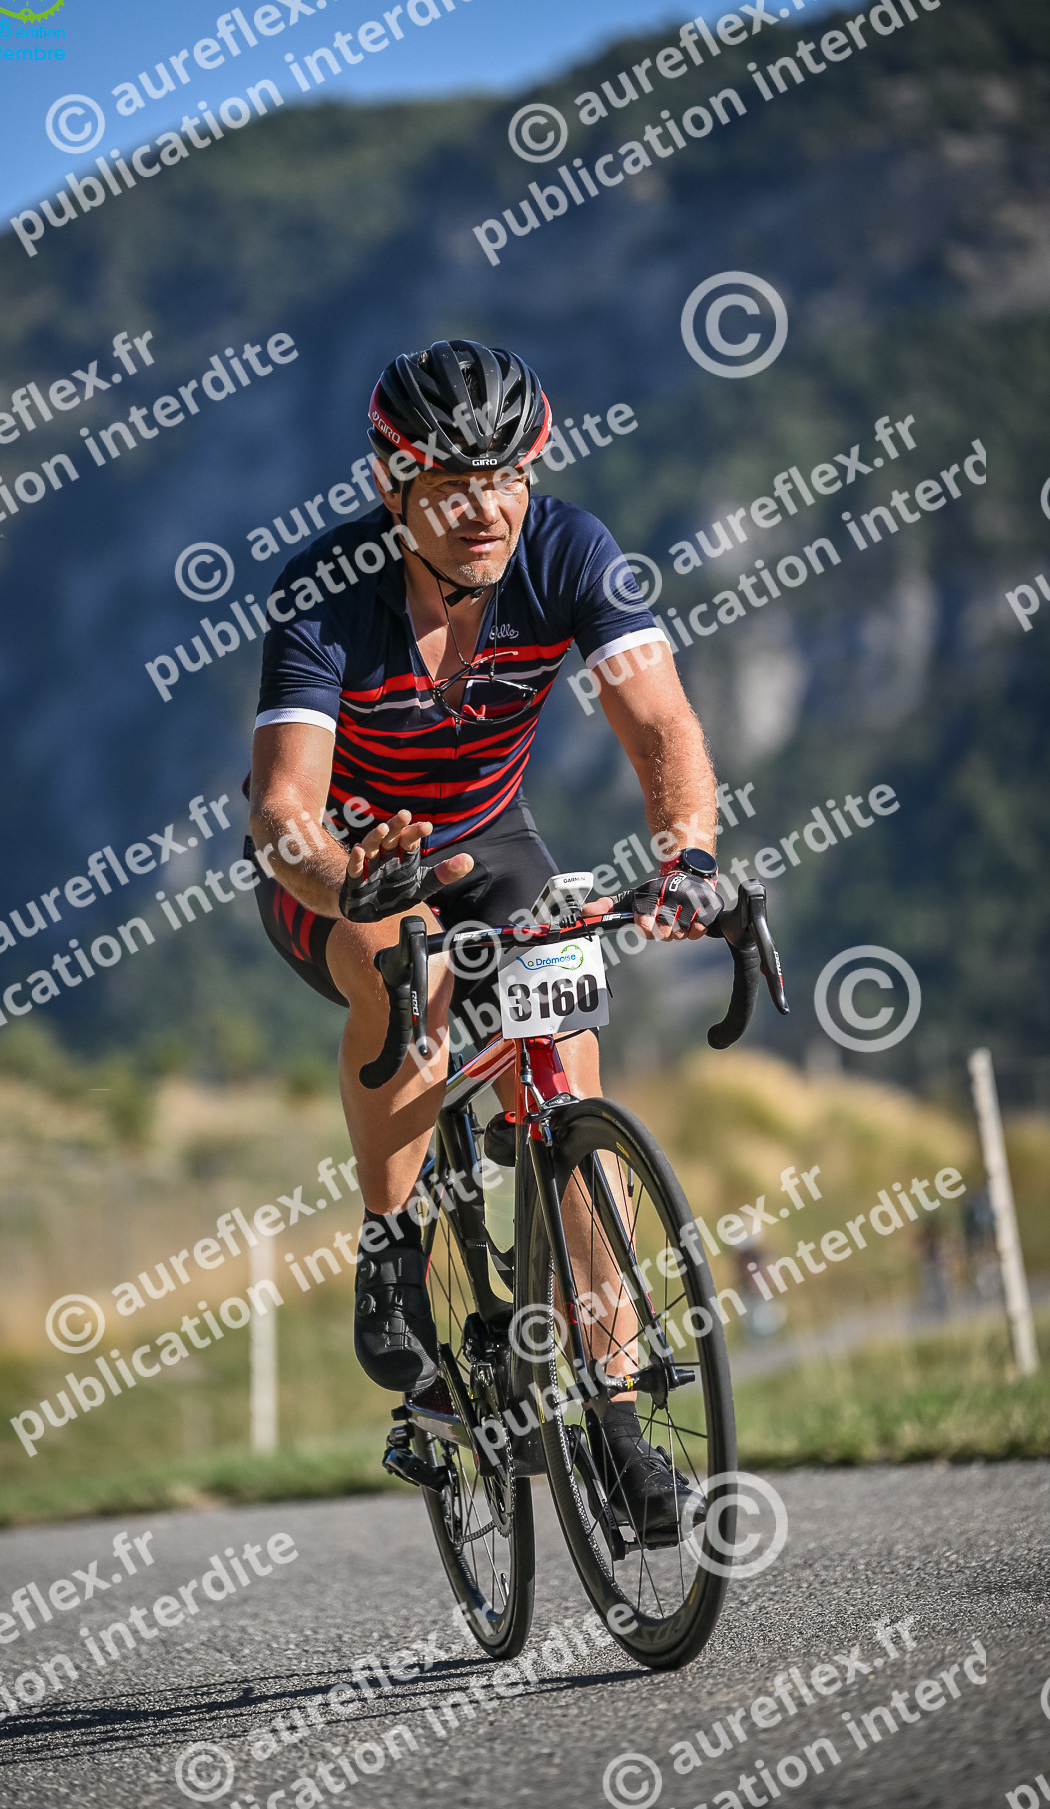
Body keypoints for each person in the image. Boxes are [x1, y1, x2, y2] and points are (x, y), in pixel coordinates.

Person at [247, 339, 722, 1539]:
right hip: (345, 861)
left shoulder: (568, 550)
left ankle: (617, 1415)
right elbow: (282, 812)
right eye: (454, 487)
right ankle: (391, 1244)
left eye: (507, 477)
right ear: (391, 485)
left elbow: (659, 724)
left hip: (490, 841)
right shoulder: (324, 590)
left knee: (569, 1085)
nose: (487, 510)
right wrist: (345, 875)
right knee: (402, 964)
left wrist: (687, 856)